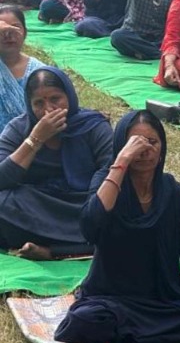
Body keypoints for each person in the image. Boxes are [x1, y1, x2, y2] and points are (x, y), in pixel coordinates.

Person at [53, 111, 180, 343]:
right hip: (111, 299)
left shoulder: (174, 193)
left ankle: (121, 340)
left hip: (163, 301)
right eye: (135, 144)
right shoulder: (107, 181)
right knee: (85, 320)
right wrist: (122, 162)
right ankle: (137, 337)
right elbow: (90, 227)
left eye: (152, 142)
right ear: (121, 147)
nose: (145, 151)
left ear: (162, 148)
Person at [0, 67, 114, 260]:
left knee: (119, 215)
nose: (48, 109)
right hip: (37, 206)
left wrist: (93, 207)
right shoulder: (19, 128)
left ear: (69, 96)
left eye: (55, 99)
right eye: (39, 103)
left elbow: (110, 170)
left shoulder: (93, 126)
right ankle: (73, 245)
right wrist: (35, 139)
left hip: (84, 203)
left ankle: (53, 250)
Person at [0, 6, 43, 127]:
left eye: (15, 27)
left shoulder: (38, 71)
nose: (8, 34)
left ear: (25, 32)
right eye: (2, 29)